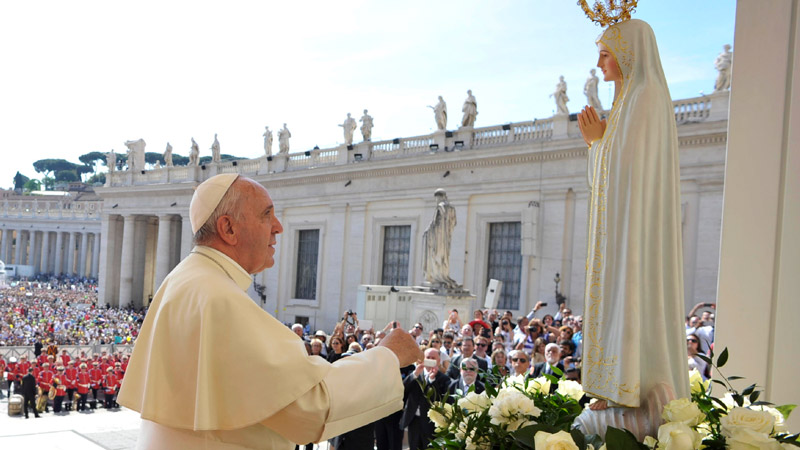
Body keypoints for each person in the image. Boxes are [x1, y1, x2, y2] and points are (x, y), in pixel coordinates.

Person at [118, 173, 421, 449]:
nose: (278, 227)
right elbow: (307, 408)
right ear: (229, 228)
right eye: (267, 215)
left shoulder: (186, 280)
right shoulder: (218, 298)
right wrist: (387, 356)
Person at [575, 19, 690, 440]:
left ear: (629, 52)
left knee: (632, 291)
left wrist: (598, 143)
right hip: (621, 229)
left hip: (634, 233)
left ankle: (630, 387)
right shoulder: (628, 100)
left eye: (605, 52)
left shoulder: (646, 96)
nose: (599, 61)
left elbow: (630, 170)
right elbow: (613, 167)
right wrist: (600, 143)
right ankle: (614, 387)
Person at [401, 348, 451, 450]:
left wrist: (432, 380)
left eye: (433, 358)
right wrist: (415, 374)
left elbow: (439, 398)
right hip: (413, 419)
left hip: (430, 423)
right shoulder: (415, 373)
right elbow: (403, 389)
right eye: (428, 357)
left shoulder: (443, 379)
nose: (430, 360)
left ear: (438, 361)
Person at [422, 189, 459, 290]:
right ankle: (442, 275)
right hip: (446, 239)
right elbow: (454, 223)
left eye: (436, 198)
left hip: (438, 239)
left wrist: (427, 232)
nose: (436, 200)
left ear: (439, 197)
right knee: (444, 258)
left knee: (436, 256)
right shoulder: (451, 208)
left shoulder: (440, 207)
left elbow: (435, 224)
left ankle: (436, 276)